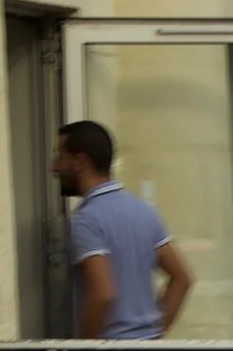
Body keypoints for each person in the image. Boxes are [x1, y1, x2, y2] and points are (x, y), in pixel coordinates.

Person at [53, 120, 191, 339]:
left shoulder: (86, 220)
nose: (54, 167)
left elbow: (103, 294)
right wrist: (154, 334)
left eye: (60, 157)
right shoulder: (143, 211)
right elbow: (182, 278)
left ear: (80, 162)